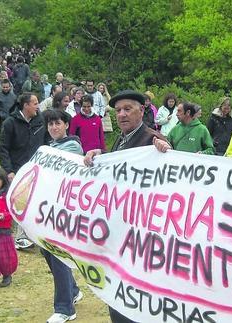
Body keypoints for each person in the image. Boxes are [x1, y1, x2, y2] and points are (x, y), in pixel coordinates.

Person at [84, 90, 166, 323]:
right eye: (118, 110)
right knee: (117, 294)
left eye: (128, 109)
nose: (121, 114)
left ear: (142, 110)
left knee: (137, 300)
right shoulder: (122, 138)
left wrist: (167, 154)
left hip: (141, 239)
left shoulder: (152, 139)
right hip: (118, 233)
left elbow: (169, 183)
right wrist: (100, 157)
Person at [41, 109, 84, 323]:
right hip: (48, 209)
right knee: (47, 251)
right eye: (50, 124)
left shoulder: (72, 147)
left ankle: (65, 308)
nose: (54, 127)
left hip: (65, 210)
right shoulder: (48, 149)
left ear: (66, 125)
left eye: (57, 123)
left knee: (58, 255)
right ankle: (73, 291)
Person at [0, 92, 49, 249]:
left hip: (37, 170)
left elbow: (46, 143)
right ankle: (20, 238)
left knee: (36, 202)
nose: (38, 106)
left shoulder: (40, 121)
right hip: (17, 171)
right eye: (34, 103)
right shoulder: (10, 123)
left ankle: (34, 236)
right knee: (20, 202)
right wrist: (9, 171)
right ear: (25, 105)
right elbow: (3, 149)